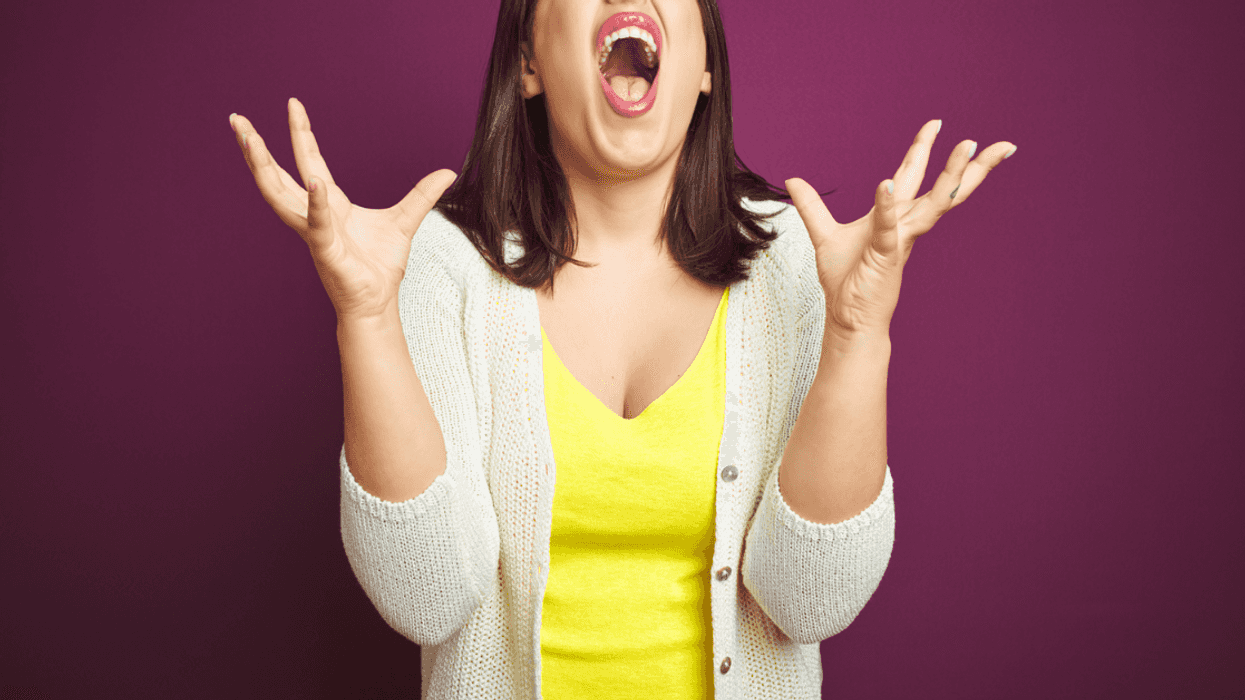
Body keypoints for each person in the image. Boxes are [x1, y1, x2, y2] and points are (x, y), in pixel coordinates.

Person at [229, 0, 1015, 696]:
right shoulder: (444, 264)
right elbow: (427, 598)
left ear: (704, 64)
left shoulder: (796, 265)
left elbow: (811, 600)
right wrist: (366, 319)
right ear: (529, 63)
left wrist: (855, 336)